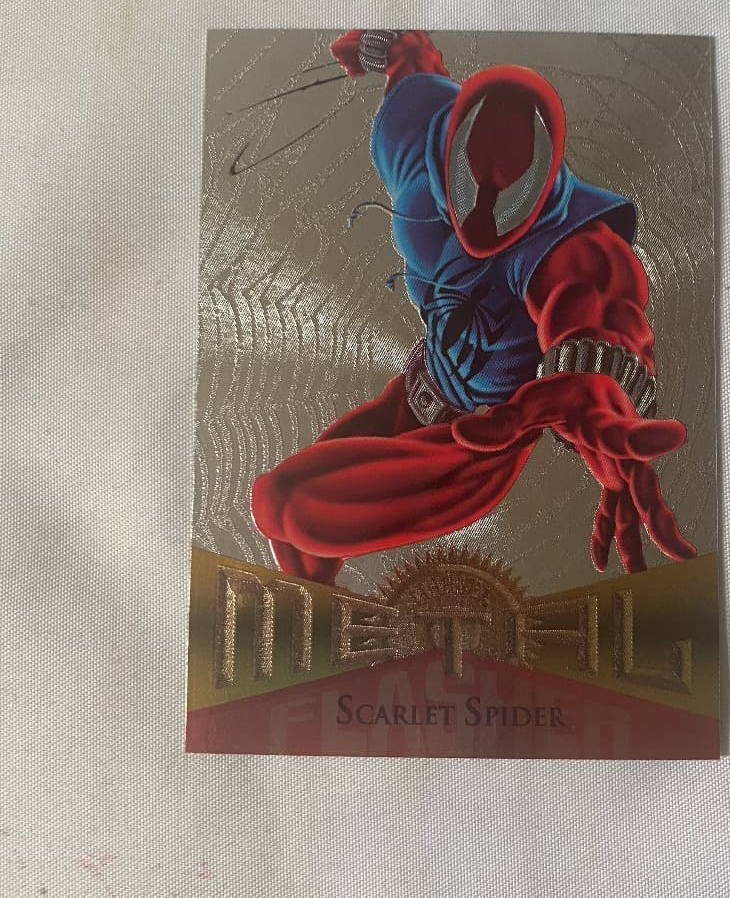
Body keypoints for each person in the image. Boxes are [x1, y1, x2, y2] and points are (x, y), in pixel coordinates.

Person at [251, 29, 696, 584]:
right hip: (414, 389)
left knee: (286, 506)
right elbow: (417, 66)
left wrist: (602, 391)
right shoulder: (420, 136)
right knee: (293, 542)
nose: (483, 219)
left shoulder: (570, 244)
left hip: (477, 442)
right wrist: (389, 47)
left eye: (510, 198)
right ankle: (313, 612)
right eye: (470, 188)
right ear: (449, 151)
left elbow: (602, 317)